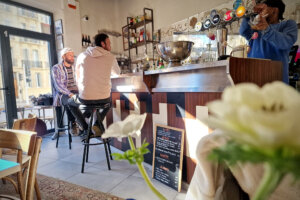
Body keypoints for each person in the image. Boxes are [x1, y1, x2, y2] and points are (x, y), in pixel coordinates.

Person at [68, 33, 120, 136]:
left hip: (85, 98)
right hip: (103, 98)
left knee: (70, 102)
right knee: (109, 101)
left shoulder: (82, 56)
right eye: (109, 43)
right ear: (103, 44)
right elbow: (117, 73)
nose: (110, 46)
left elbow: (77, 78)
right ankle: (97, 124)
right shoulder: (110, 57)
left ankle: (85, 127)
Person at [239, 0, 298, 83]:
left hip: (276, 82)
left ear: (274, 10)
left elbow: (286, 42)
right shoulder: (257, 28)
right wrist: (250, 13)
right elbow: (243, 31)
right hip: (254, 79)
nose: (260, 11)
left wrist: (266, 29)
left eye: (263, 7)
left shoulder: (288, 24)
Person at [51, 47, 78, 140]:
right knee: (71, 102)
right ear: (63, 56)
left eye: (72, 55)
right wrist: (70, 94)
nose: (72, 57)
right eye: (70, 55)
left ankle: (79, 122)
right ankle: (73, 123)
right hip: (63, 93)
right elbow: (58, 85)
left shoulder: (75, 67)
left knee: (88, 101)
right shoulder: (56, 68)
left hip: (76, 91)